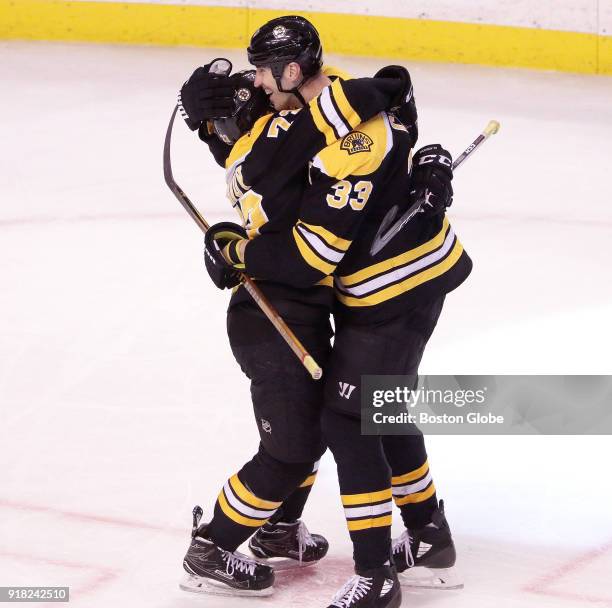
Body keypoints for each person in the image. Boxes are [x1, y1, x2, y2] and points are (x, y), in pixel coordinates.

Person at [201, 16, 471, 607]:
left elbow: (313, 254)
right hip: (381, 288)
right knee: (380, 408)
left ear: (292, 71)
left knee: (348, 420)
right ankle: (428, 535)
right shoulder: (331, 101)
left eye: (263, 72)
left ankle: (375, 577)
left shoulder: (348, 140)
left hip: (395, 286)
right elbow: (389, 111)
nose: (256, 83)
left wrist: (242, 251)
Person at [177, 64, 418, 599]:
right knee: (293, 447)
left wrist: (232, 244)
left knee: (312, 427)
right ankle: (211, 547)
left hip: (292, 314)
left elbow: (253, 137)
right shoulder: (270, 145)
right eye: (251, 97)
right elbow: (335, 112)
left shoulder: (250, 149)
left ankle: (280, 529)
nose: (264, 96)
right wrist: (391, 87)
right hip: (271, 322)